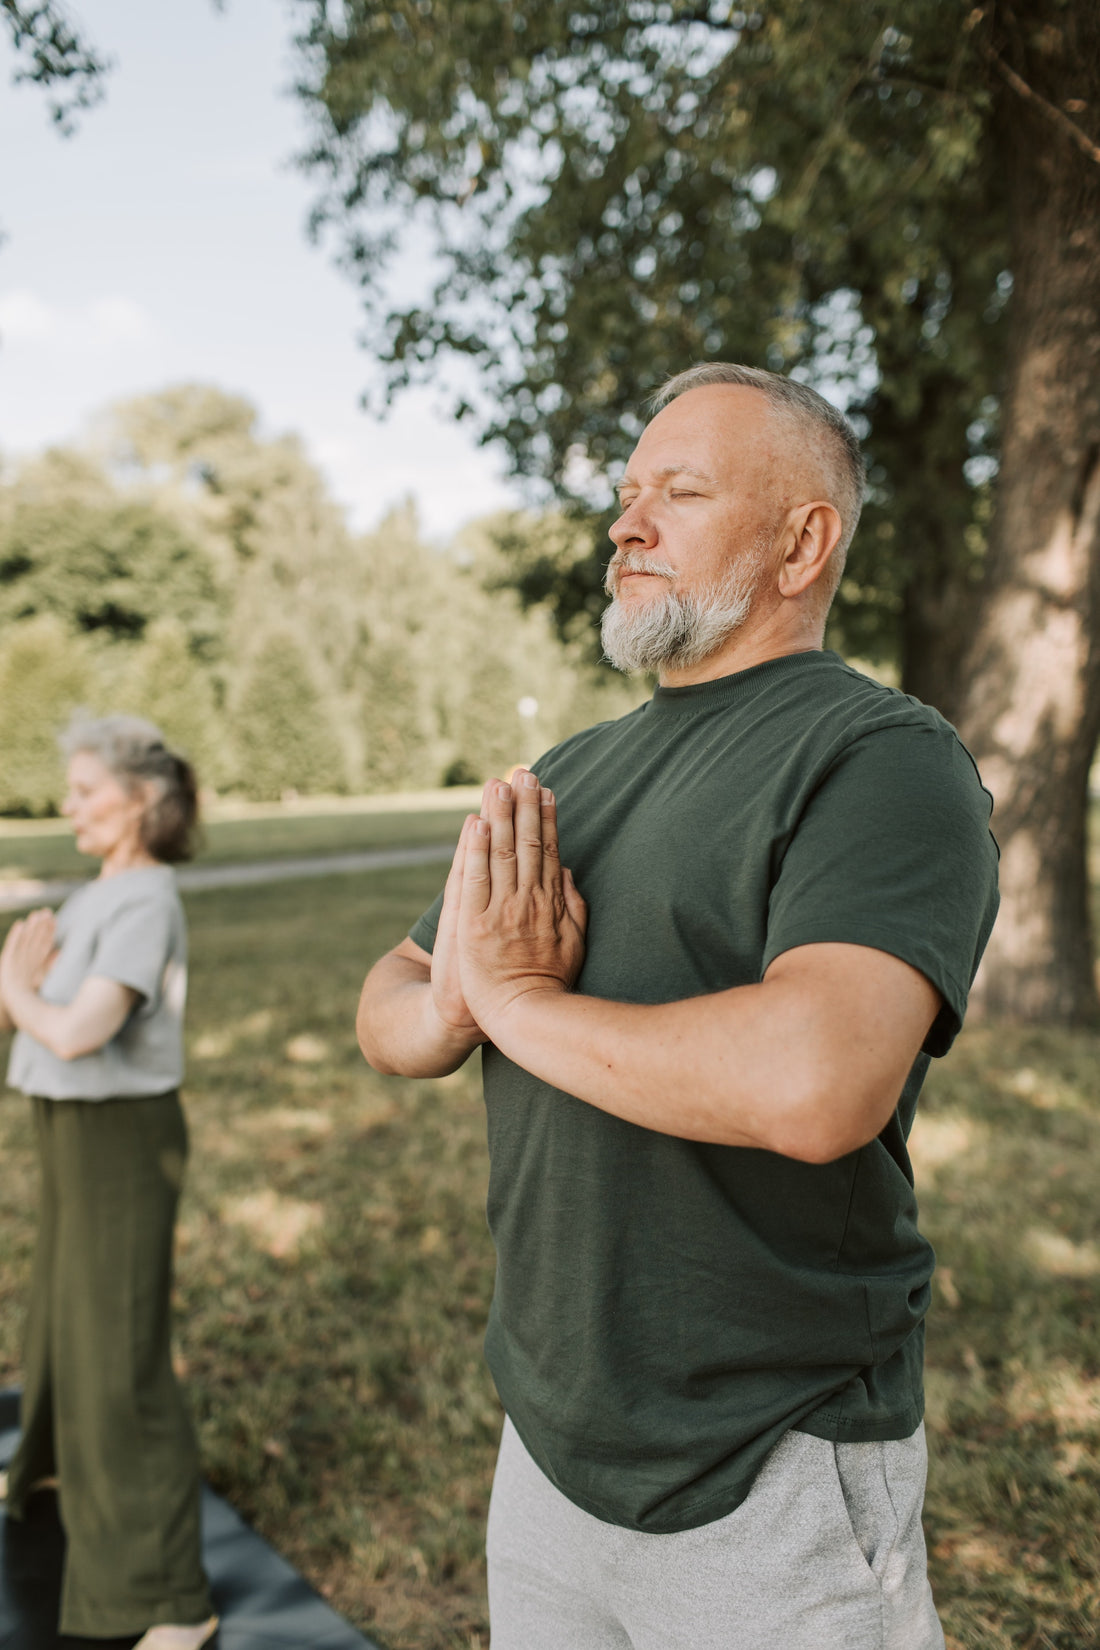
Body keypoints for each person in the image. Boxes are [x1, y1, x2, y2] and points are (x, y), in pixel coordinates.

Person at [356, 363, 999, 1650]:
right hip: (547, 1436)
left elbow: (813, 1083)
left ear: (799, 542)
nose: (623, 526)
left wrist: (517, 1001)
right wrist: (453, 1013)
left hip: (770, 1458)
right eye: (623, 494)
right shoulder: (565, 773)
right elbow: (395, 993)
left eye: (680, 492)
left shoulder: (880, 758)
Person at [0, 715, 218, 1650]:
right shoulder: (102, 893)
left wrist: (15, 990)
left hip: (122, 1137)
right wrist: (23, 994)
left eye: (87, 790)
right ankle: (44, 1471)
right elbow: (44, 1017)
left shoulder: (144, 903)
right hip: (72, 1126)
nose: (70, 804)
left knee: (119, 1346)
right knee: (60, 1309)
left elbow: (78, 1028)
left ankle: (171, 1598)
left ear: (140, 801)